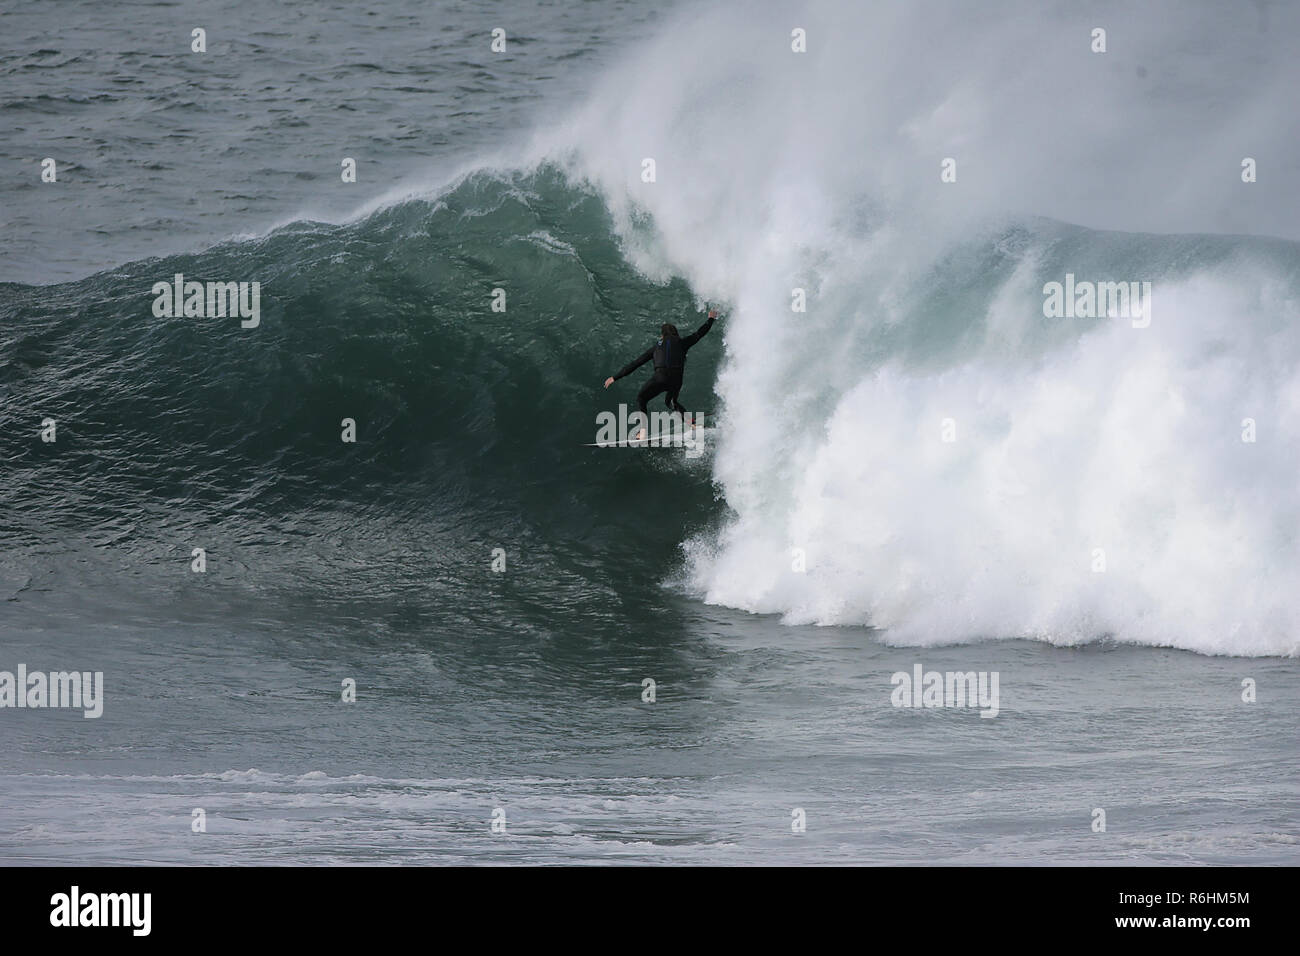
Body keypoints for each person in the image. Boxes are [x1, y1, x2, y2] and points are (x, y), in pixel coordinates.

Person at [604, 308, 719, 440]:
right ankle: (693, 425)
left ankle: (642, 431)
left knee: (642, 398)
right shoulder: (682, 343)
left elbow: (636, 363)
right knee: (671, 402)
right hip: (676, 379)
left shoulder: (656, 347)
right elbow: (700, 333)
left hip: (661, 377)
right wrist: (711, 319)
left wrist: (615, 377)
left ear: (662, 335)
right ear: (676, 334)